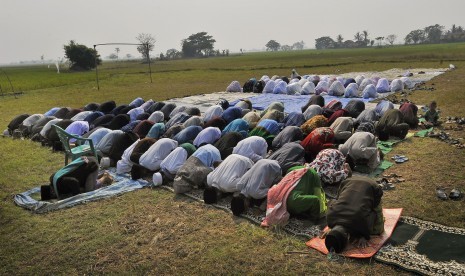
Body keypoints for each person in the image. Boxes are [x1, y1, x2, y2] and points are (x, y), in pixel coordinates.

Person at [323, 176, 384, 253]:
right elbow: (332, 202)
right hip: (348, 182)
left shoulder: (360, 219)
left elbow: (372, 215)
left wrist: (364, 235)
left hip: (373, 187)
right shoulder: (329, 218)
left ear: (348, 236)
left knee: (378, 230)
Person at [261, 165, 327, 227]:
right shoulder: (275, 195)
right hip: (294, 170)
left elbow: (317, 199)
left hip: (304, 172)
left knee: (317, 193)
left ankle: (313, 220)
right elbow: (315, 200)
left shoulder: (291, 200)